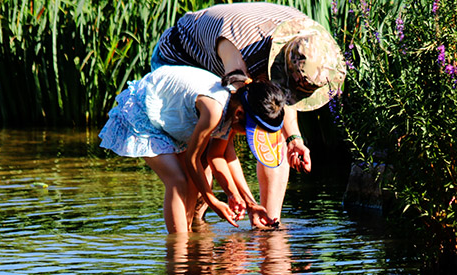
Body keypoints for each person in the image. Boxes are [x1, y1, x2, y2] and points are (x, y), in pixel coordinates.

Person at [151, 2, 346, 226]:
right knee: (201, 165)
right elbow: (223, 144)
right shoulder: (243, 57)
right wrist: (231, 195)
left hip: (233, 70)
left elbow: (284, 96)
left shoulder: (310, 45)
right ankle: (193, 237)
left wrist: (294, 139)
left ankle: (268, 224)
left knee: (274, 139)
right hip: (181, 57)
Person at [99, 66, 287, 234]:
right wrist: (213, 201)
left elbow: (217, 156)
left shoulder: (236, 107)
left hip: (173, 116)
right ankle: (179, 250)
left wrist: (248, 203)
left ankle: (187, 235)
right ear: (239, 115)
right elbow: (192, 159)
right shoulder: (215, 109)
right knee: (177, 180)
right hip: (145, 109)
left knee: (195, 180)